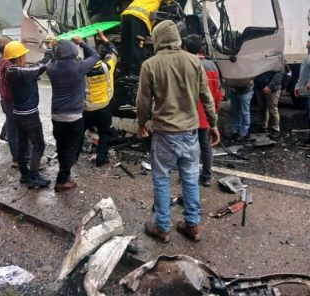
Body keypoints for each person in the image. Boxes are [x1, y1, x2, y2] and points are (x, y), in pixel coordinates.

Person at [136, 21, 219, 243]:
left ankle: (162, 227)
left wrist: (141, 123)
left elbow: (143, 101)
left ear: (158, 40)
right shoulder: (194, 61)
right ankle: (192, 225)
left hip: (164, 134)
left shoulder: (150, 65)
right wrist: (213, 124)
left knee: (161, 179)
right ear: (177, 38)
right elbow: (206, 97)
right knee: (191, 179)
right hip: (190, 133)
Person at [46, 36, 99, 192]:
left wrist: (51, 47)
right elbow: (95, 56)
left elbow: (48, 58)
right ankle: (61, 180)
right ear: (73, 52)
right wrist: (81, 42)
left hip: (56, 116)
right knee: (72, 150)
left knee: (61, 147)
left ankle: (65, 174)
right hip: (74, 118)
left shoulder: (51, 68)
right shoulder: (79, 67)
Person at [4, 41, 52, 188]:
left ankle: (24, 175)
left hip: (18, 114)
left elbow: (33, 68)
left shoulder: (11, 71)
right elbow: (43, 65)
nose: (25, 58)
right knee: (39, 145)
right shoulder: (21, 72)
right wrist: (50, 49)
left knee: (22, 145)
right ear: (19, 59)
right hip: (29, 116)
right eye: (24, 56)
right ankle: (34, 176)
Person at [182, 35, 222, 187]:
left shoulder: (186, 65)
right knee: (205, 146)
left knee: (188, 147)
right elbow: (217, 92)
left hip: (189, 115)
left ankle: (189, 175)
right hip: (206, 115)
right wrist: (215, 111)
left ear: (185, 47)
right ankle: (206, 176)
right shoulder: (212, 66)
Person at [120, 0, 174, 76]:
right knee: (137, 46)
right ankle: (135, 75)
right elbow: (173, 3)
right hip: (138, 19)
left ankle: (124, 73)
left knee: (126, 46)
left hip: (126, 16)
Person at [0, 35, 31, 168]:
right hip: (12, 101)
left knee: (12, 129)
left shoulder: (0, 61)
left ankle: (16, 158)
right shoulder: (8, 63)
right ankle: (25, 158)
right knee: (22, 130)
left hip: (5, 100)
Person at [84, 30, 118, 167]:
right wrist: (103, 37)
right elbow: (114, 51)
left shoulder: (81, 69)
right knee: (104, 133)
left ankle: (73, 157)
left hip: (87, 109)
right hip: (104, 107)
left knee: (79, 132)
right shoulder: (107, 65)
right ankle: (100, 159)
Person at [254, 70, 284, 137]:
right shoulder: (259, 59)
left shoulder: (276, 60)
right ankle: (263, 126)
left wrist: (270, 86)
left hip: (272, 89)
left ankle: (276, 129)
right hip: (260, 87)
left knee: (273, 109)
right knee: (262, 108)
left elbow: (279, 74)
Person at [295, 33, 310, 145]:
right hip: (305, 92)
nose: (307, 42)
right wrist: (297, 86)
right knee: (308, 116)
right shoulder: (307, 56)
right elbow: (302, 74)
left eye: (309, 41)